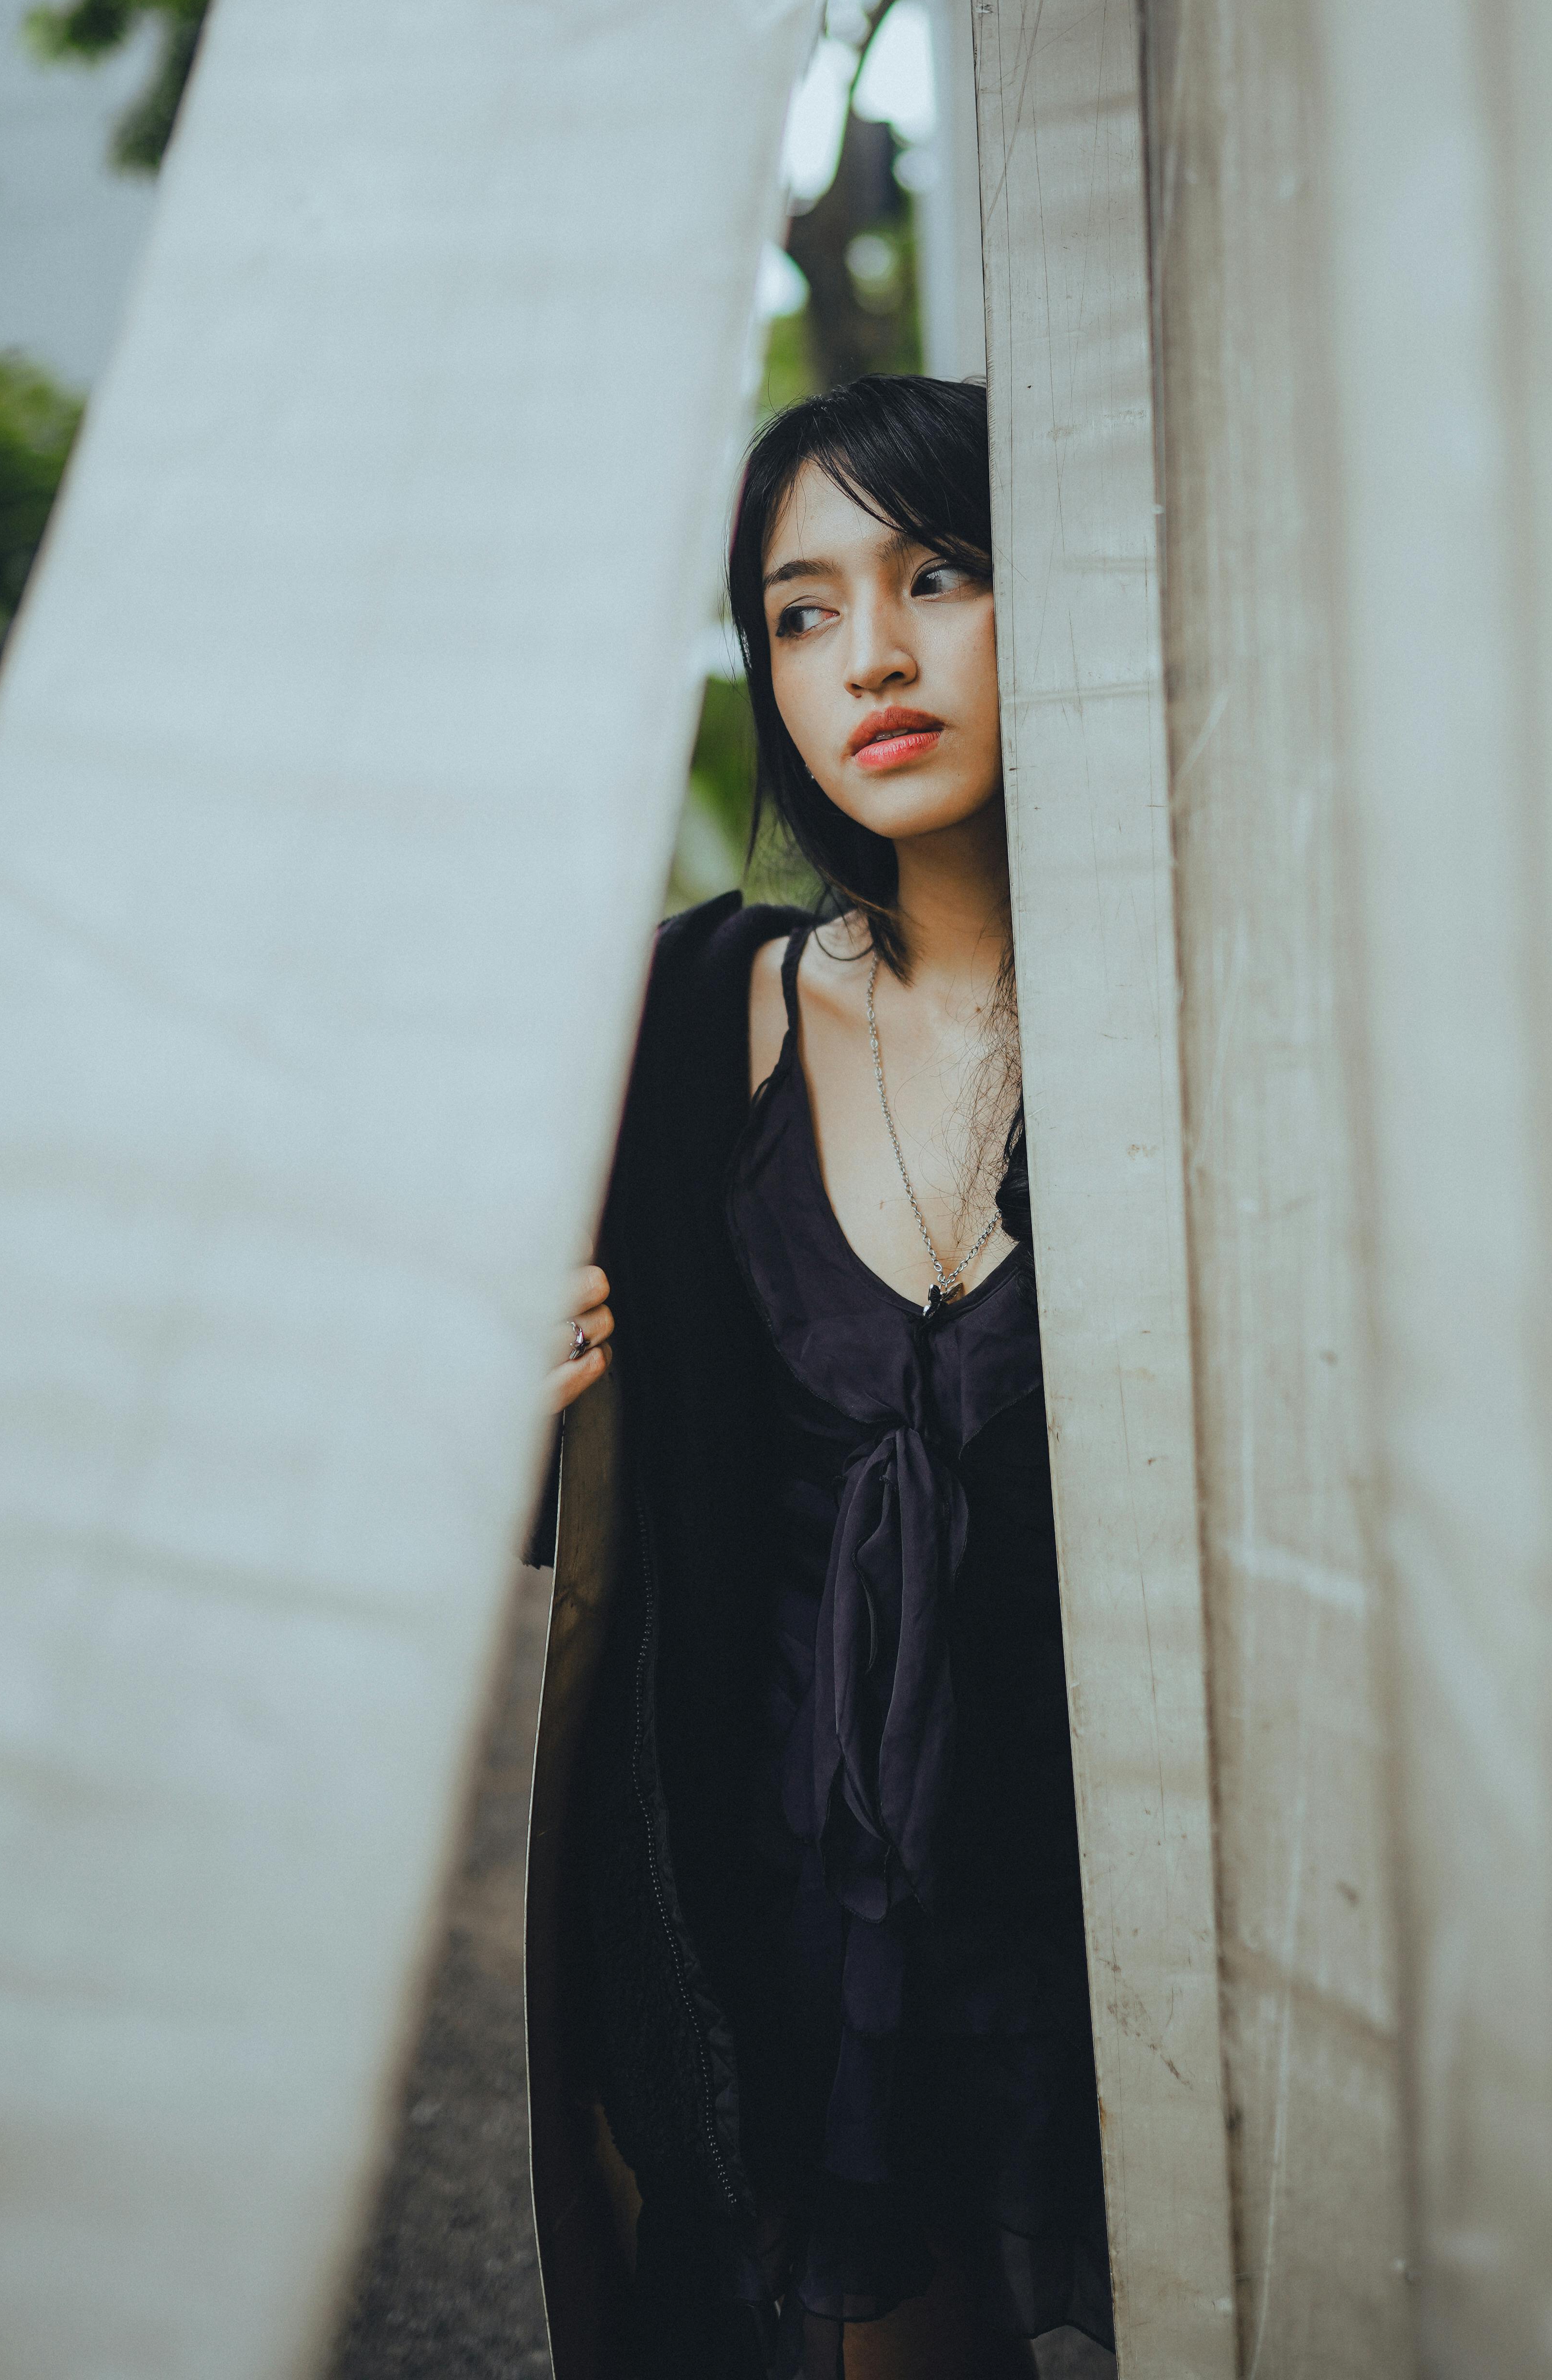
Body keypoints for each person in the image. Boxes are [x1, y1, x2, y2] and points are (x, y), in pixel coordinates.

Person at [526, 376, 1112, 2378]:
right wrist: (522, 1392)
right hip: (806, 1902)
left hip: (1115, 1885)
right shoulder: (699, 1019)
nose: (871, 653)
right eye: (799, 608)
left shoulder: (1201, 1011)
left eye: (937, 574)